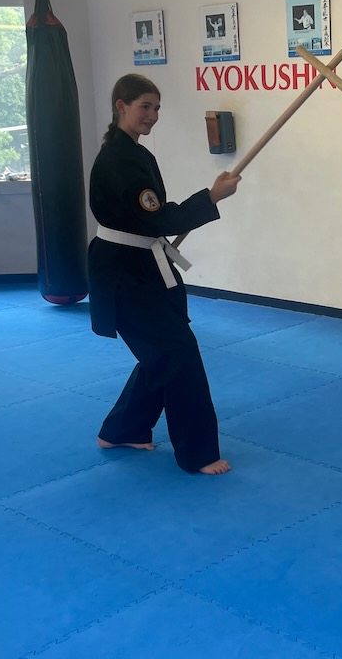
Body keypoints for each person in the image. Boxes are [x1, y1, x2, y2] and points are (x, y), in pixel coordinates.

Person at [87, 73, 241, 475]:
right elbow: (159, 219)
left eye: (156, 108)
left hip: (143, 265)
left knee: (163, 354)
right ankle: (198, 454)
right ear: (121, 106)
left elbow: (152, 216)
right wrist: (212, 197)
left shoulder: (137, 154)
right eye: (145, 106)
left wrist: (204, 201)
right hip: (123, 273)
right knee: (178, 354)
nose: (152, 115)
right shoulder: (119, 159)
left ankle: (122, 430)